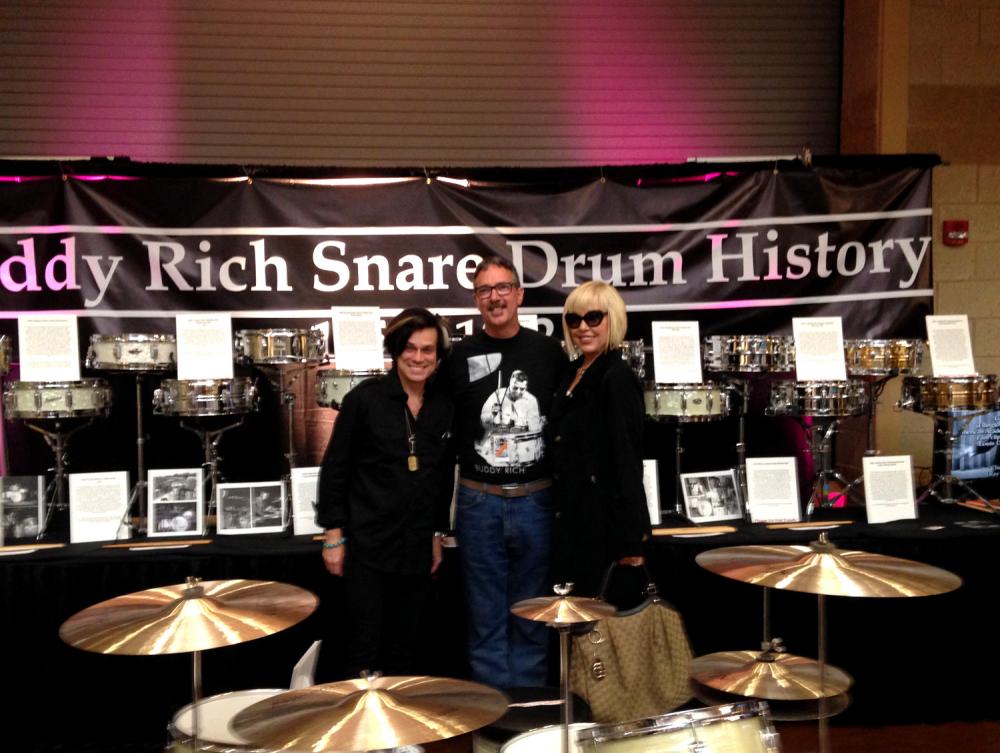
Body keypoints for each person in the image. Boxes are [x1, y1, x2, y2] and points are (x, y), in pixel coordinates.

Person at [444, 256, 565, 688]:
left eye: (502, 288)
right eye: (484, 290)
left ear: (519, 294)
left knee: (533, 613)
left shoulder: (548, 353)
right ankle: (494, 712)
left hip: (536, 500)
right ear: (476, 299)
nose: (494, 297)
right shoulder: (458, 356)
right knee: (485, 617)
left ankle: (528, 711)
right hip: (479, 502)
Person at [316, 307, 454, 679]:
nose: (419, 358)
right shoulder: (364, 400)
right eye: (410, 348)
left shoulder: (443, 406)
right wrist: (333, 536)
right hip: (367, 548)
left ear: (438, 356)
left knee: (405, 650)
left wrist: (436, 533)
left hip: (416, 549)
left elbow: (441, 478)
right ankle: (362, 719)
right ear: (395, 350)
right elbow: (335, 469)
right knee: (363, 649)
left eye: (427, 350)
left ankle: (397, 719)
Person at [548, 281, 650, 597]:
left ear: (612, 319)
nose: (583, 327)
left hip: (603, 528)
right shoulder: (571, 371)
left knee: (599, 617)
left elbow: (628, 460)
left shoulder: (617, 377)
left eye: (593, 318)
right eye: (574, 319)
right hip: (569, 519)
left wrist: (632, 540)